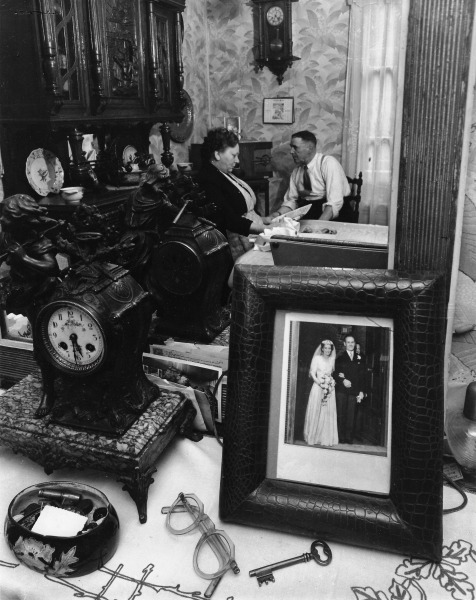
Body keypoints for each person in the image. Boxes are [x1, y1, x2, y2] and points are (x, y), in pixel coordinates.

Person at [196, 127, 265, 260]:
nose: (238, 160)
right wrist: (266, 229)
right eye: (234, 155)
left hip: (250, 236)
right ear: (217, 155)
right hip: (233, 245)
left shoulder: (223, 173)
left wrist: (267, 221)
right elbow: (229, 219)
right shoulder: (207, 179)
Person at [264, 130, 350, 222]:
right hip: (310, 212)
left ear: (310, 148)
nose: (291, 152)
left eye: (295, 147)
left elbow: (334, 203)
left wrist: (317, 227)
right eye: (291, 147)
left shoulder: (328, 163)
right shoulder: (297, 171)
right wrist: (276, 215)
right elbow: (291, 201)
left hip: (334, 213)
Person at [303, 339, 338, 447]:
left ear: (331, 350)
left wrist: (330, 383)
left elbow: (330, 374)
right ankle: (313, 436)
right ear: (322, 349)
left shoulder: (332, 360)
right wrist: (319, 383)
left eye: (329, 348)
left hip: (328, 389)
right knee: (316, 410)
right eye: (325, 348)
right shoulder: (317, 358)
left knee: (326, 412)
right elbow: (312, 373)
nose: (327, 350)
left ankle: (324, 437)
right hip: (318, 387)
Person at [335, 335, 366, 444]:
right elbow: (335, 373)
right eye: (348, 342)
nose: (350, 344)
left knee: (351, 415)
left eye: (352, 342)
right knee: (341, 413)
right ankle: (341, 437)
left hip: (354, 390)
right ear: (344, 344)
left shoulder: (360, 357)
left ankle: (348, 437)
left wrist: (361, 390)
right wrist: (343, 380)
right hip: (342, 391)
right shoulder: (340, 357)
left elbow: (363, 376)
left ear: (355, 343)